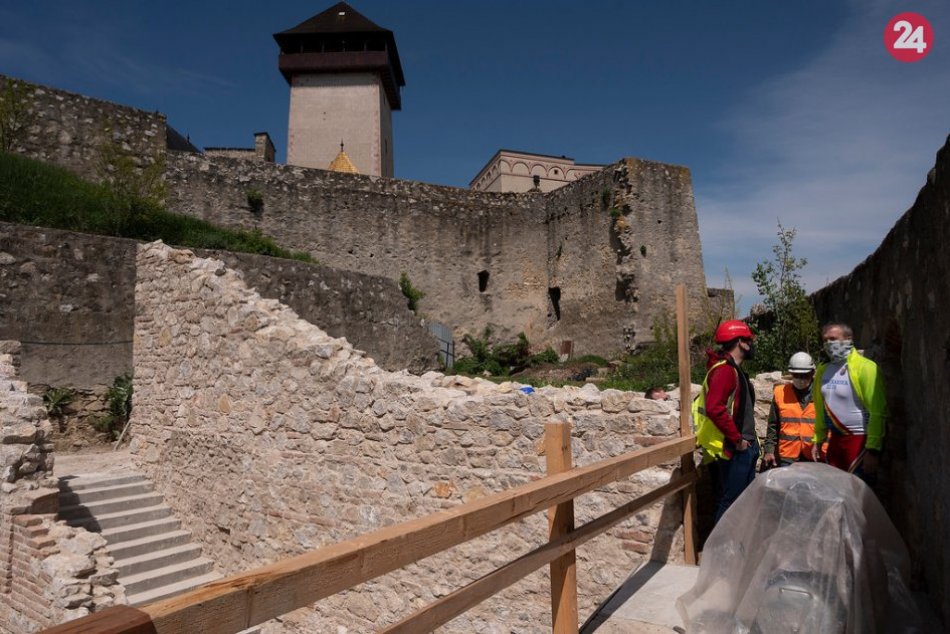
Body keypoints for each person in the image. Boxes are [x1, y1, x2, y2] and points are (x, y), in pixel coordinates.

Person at [691, 320, 758, 523]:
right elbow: (714, 408)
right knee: (730, 503)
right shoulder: (725, 371)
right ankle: (719, 551)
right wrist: (737, 440)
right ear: (740, 342)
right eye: (749, 340)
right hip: (734, 449)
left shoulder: (734, 370)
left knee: (740, 502)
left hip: (742, 446)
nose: (751, 345)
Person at [811, 323, 886, 484]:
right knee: (834, 494)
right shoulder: (823, 370)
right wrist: (818, 439)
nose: (829, 344)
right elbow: (820, 408)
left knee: (858, 497)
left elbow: (878, 411)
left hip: (859, 443)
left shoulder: (866, 368)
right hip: (835, 442)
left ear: (848, 339)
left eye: (833, 339)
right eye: (825, 340)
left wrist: (873, 450)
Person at [762, 352, 821, 468]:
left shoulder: (822, 394)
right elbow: (773, 426)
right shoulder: (780, 393)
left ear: (812, 373)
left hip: (815, 455)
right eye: (796, 375)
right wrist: (769, 450)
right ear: (791, 373)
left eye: (804, 375)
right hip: (788, 456)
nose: (800, 379)